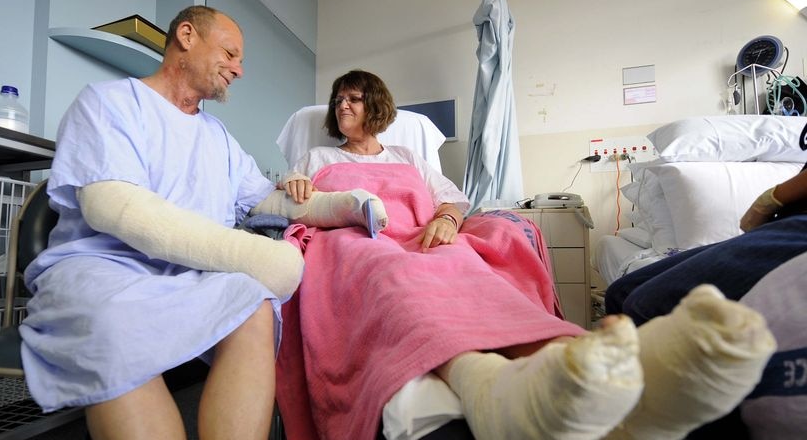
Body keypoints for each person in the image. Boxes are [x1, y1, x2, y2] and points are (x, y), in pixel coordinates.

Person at [272, 69, 779, 440]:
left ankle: (587, 372)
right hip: (360, 245)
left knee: (473, 273)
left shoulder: (408, 157)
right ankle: (497, 390)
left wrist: (448, 221)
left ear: (377, 108)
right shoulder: (318, 157)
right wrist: (294, 183)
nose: (343, 106)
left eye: (355, 99)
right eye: (339, 99)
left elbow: (452, 199)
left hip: (423, 236)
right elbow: (292, 199)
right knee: (395, 280)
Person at [20, 7, 386, 440]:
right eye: (231, 54)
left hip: (190, 275)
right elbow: (112, 206)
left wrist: (347, 204)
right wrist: (253, 254)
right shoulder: (108, 102)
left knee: (253, 302)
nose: (240, 69)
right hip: (104, 269)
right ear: (187, 36)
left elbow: (269, 199)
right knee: (113, 324)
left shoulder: (217, 137)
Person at [605, 165, 807, 325]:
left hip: (799, 227)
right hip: (782, 222)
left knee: (644, 306)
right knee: (622, 292)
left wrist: (770, 200)